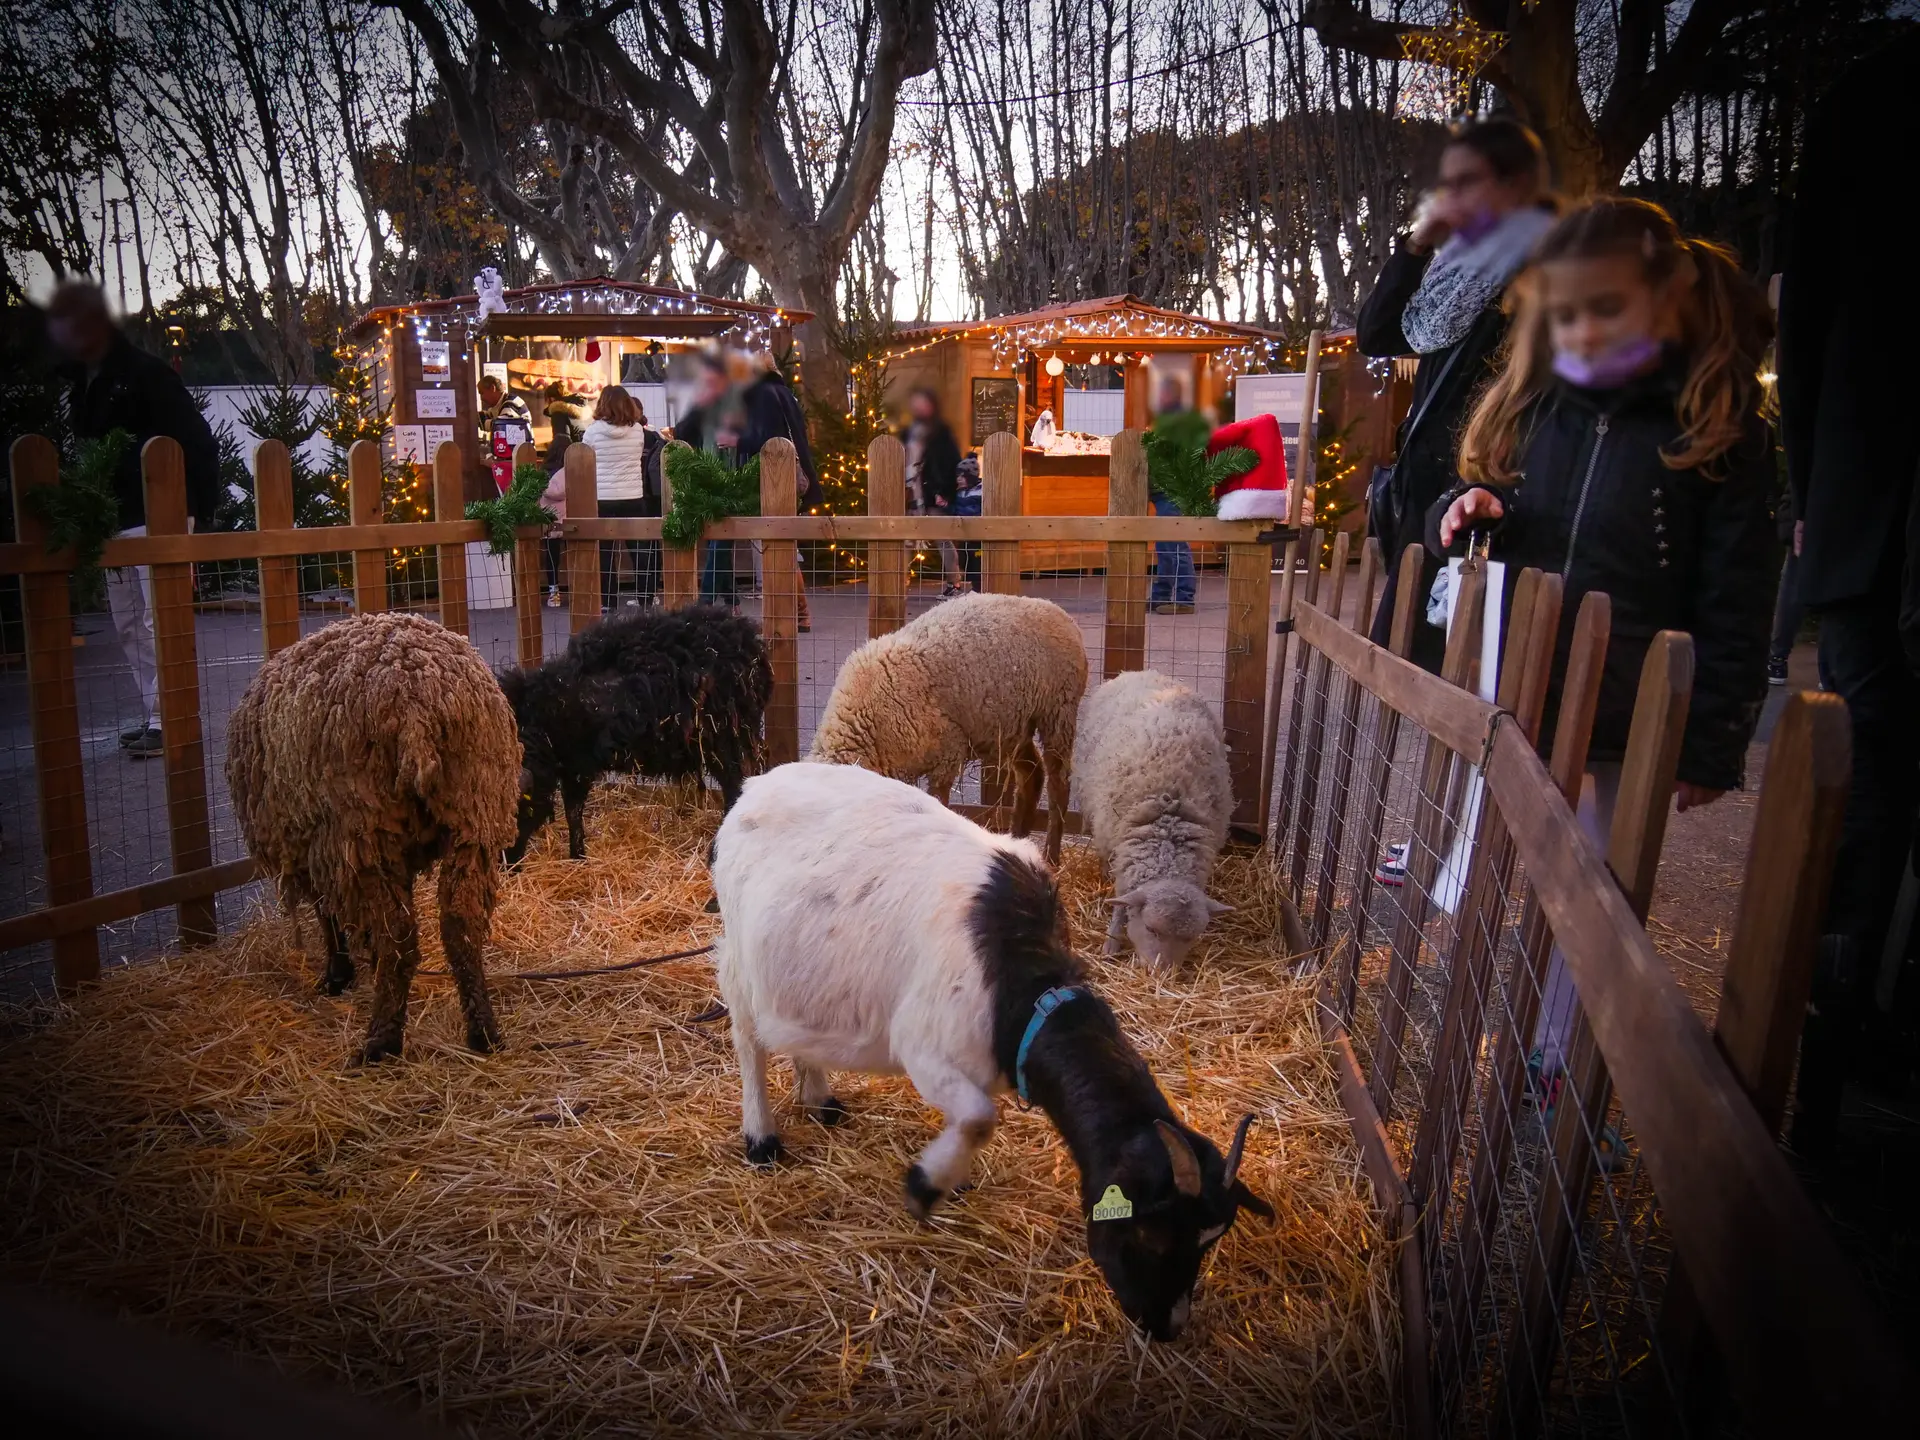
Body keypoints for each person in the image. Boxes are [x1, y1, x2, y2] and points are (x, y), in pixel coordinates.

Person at [1428, 198, 1776, 1082]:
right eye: (1568, 310)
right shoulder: (1532, 412)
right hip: (1531, 688)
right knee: (1516, 868)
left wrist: (1711, 740)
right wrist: (1462, 512)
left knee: (1601, 895)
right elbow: (1475, 503)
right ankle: (1470, 1011)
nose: (1585, 329)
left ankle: (1560, 1056)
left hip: (1633, 711)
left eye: (1608, 307)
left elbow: (1737, 597)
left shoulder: (1715, 431)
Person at [1777, 31, 1920, 1154]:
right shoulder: (1872, 96)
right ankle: (1845, 1030)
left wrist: (1813, 481)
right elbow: (1816, 301)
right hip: (1873, 490)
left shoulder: (1872, 96)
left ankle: (1853, 1027)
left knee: (1874, 759)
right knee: (1868, 764)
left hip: (1871, 482)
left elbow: (1813, 305)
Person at [1359, 116, 1556, 672]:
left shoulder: (1538, 265)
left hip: (1487, 483)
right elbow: (1375, 334)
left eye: (1468, 181)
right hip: (1428, 487)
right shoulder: (1454, 268)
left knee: (1470, 665)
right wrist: (1417, 245)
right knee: (1411, 664)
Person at [47, 281, 219, 760]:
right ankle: (154, 714)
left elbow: (197, 440)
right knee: (128, 623)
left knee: (158, 618)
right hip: (113, 520)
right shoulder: (81, 385)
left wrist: (197, 510)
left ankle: (173, 718)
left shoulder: (147, 375)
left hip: (158, 516)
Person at [734, 350, 820, 629]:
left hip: (773, 479)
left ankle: (794, 611)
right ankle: (798, 612)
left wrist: (736, 439)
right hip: (788, 477)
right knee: (783, 541)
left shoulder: (762, 395)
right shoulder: (783, 393)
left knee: (773, 544)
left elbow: (767, 438)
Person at [583, 385, 662, 610]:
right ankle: (645, 600)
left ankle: (608, 603)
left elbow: (586, 462)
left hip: (602, 499)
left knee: (605, 554)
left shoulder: (592, 432)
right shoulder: (637, 431)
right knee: (640, 551)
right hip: (633, 497)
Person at [902, 387, 966, 597]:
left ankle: (954, 583)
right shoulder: (908, 431)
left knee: (943, 539)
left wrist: (945, 492)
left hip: (933, 494)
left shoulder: (941, 432)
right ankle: (899, 582)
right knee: (905, 540)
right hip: (912, 493)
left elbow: (951, 463)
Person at [1149, 374, 1196, 614]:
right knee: (1165, 546)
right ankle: (1162, 595)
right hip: (1166, 491)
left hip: (1172, 491)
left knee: (1174, 546)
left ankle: (1184, 599)